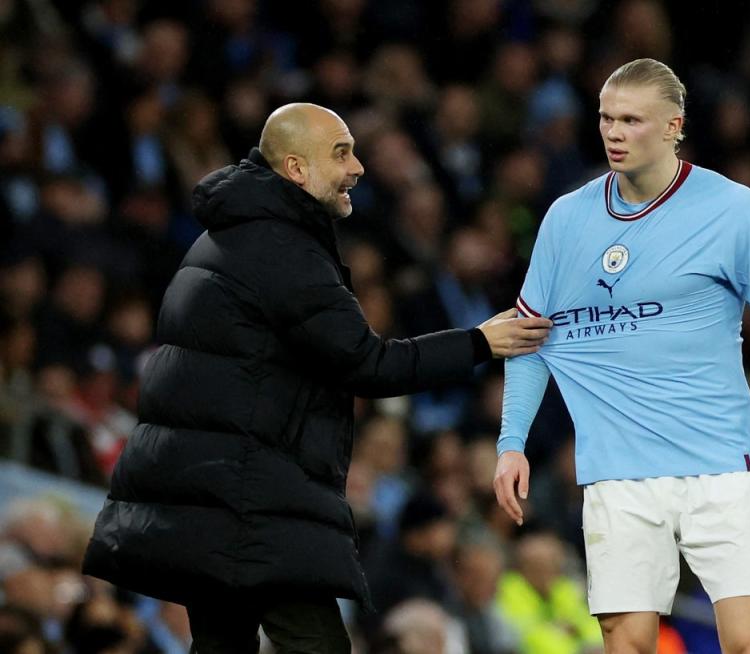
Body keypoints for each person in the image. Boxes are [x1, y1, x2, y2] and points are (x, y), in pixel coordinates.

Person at [81, 102, 552, 654]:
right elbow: (367, 363)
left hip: (210, 494)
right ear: (296, 169)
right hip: (249, 500)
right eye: (341, 153)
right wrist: (478, 342)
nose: (358, 168)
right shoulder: (282, 249)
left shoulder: (226, 238)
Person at [493, 59, 750, 654]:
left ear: (674, 125)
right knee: (627, 644)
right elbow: (529, 339)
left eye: (631, 119)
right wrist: (510, 443)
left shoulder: (731, 210)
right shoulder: (566, 219)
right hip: (617, 475)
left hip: (722, 466)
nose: (613, 132)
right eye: (606, 118)